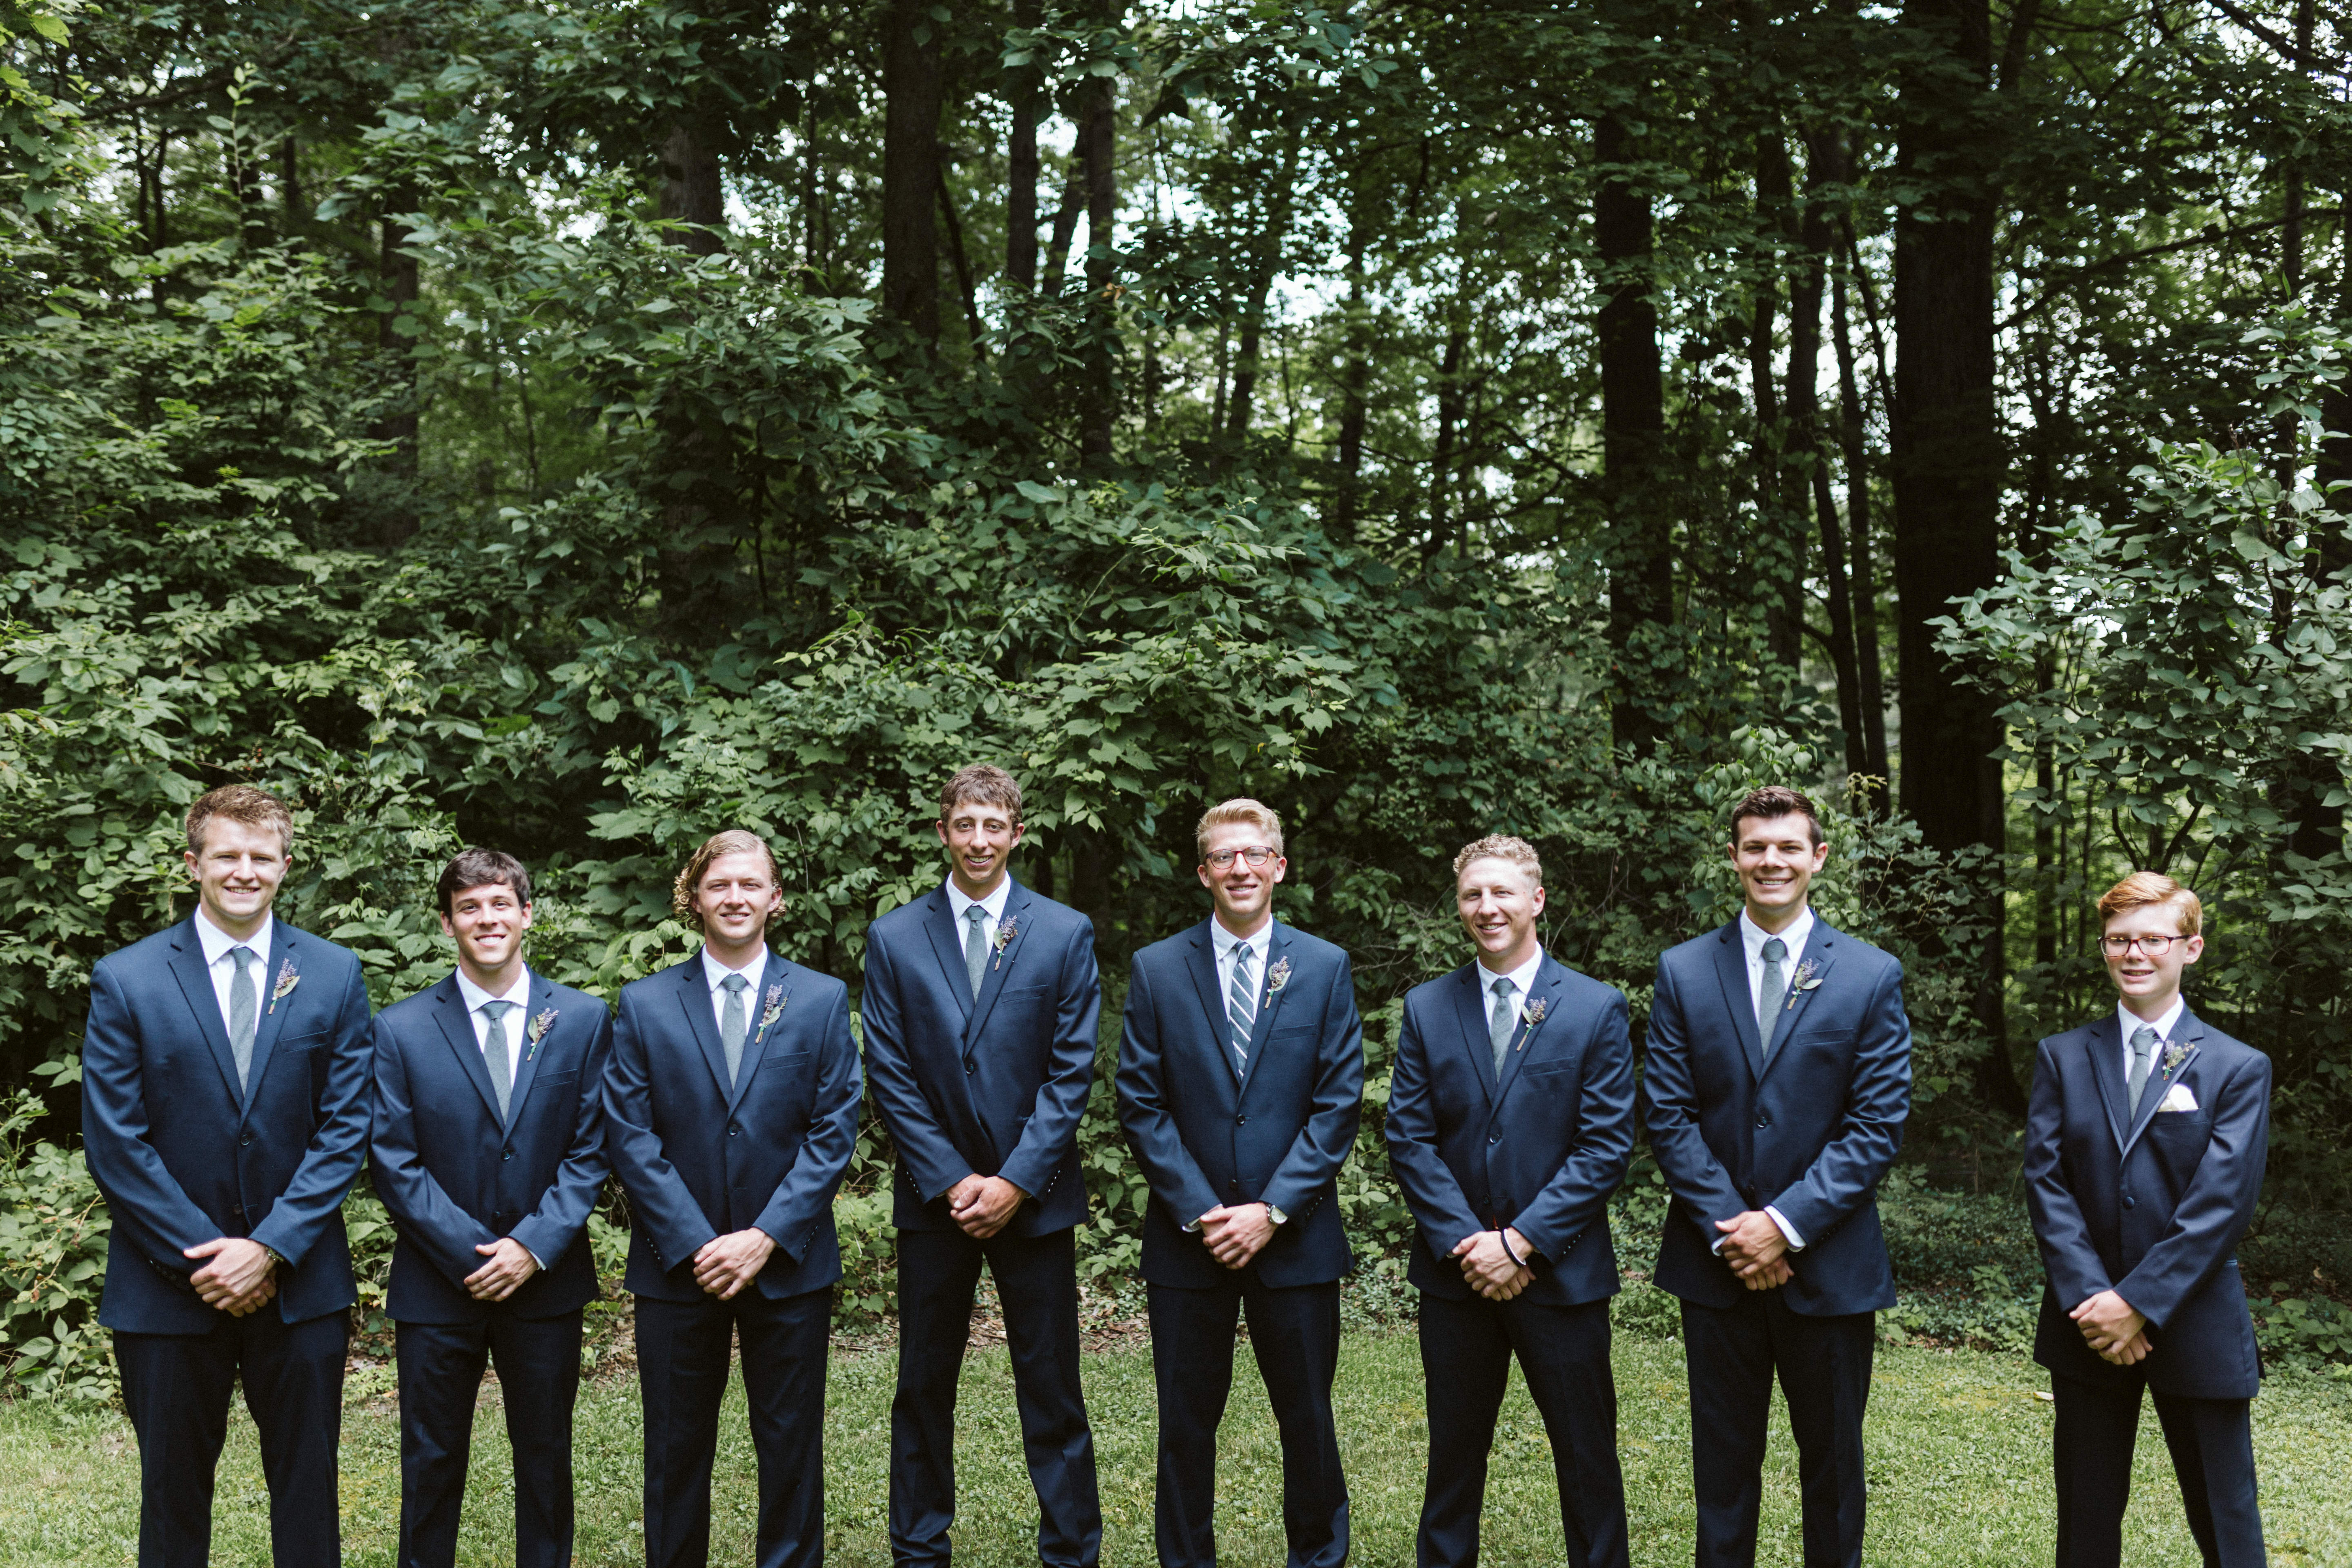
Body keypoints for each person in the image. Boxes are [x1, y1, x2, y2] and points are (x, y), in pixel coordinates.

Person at [81, 784, 374, 1568]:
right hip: (168, 1286)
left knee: (308, 1494)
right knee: (172, 1498)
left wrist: (270, 1247)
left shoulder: (334, 972)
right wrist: (213, 1257)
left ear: (285, 866)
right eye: (227, 855)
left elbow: (346, 1127)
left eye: (261, 857)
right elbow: (116, 1143)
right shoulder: (127, 978)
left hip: (301, 1284)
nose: (245, 871)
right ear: (193, 864)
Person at [1641, 784, 1911, 1568]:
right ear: (1733, 858)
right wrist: (1738, 1230)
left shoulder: (1869, 975)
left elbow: (1876, 1124)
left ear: (1818, 857)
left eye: (1789, 847)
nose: (1772, 861)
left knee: (1833, 1470)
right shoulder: (1685, 970)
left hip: (1829, 1264)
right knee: (1722, 1469)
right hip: (1716, 1263)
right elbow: (1668, 1114)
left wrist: (1784, 1226)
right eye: (1756, 847)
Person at [860, 764, 1104, 1568]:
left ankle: (1071, 1551)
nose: (978, 840)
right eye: (964, 824)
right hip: (936, 1200)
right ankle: (918, 1549)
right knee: (922, 1386)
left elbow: (1071, 1071)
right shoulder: (896, 937)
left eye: (993, 826)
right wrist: (952, 1177)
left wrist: (1015, 1181)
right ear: (943, 831)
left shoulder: (1063, 932)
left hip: (1035, 1198)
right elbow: (890, 1070)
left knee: (1052, 1387)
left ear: (1017, 834)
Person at [1116, 797, 1364, 1568]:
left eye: (1255, 854)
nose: (1241, 868)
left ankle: (1318, 1557)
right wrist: (1203, 1210)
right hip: (1190, 1242)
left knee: (1308, 1421)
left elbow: (1337, 1104)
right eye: (1224, 856)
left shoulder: (1323, 966)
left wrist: (1273, 1209)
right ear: (1203, 874)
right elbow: (1141, 1103)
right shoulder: (1159, 969)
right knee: (1186, 1425)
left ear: (1279, 867)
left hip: (1296, 1239)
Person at [604, 830, 863, 1568]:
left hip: (788, 1263)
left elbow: (833, 1130)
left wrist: (765, 1236)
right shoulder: (646, 1004)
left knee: (790, 1445)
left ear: (775, 898)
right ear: (695, 898)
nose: (736, 897)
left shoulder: (819, 999)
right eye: (719, 885)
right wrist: (697, 1242)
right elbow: (630, 1135)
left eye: (751, 884)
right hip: (677, 1267)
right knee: (675, 1449)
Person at [1384, 834, 1635, 1568]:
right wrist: (1471, 1244)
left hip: (1561, 1275)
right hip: (1458, 1275)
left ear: (1537, 900)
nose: (1487, 907)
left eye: (1502, 892)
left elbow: (1604, 1145)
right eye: (1473, 894)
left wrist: (1521, 1243)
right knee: (1453, 1462)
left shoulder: (1594, 1007)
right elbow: (1410, 1138)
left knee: (1587, 1461)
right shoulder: (1428, 1007)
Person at [369, 849, 613, 1568]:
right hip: (438, 1283)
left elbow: (593, 1148)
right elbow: (393, 1158)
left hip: (546, 1279)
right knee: (431, 1459)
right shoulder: (401, 1028)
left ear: (527, 914)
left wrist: (532, 1246)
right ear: (448, 923)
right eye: (469, 907)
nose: (487, 918)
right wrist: (474, 1253)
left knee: (546, 1457)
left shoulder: (582, 1019)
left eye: (501, 903)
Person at [2023, 871, 2271, 1568]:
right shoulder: (2063, 1056)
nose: (2135, 954)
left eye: (2153, 939)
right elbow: (2047, 1183)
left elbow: (2222, 1203)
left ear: (2191, 948)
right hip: (2088, 1326)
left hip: (2196, 1320)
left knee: (2226, 1522)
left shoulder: (2238, 1066)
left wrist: (2137, 1303)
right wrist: (2093, 1300)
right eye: (2119, 940)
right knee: (2086, 1520)